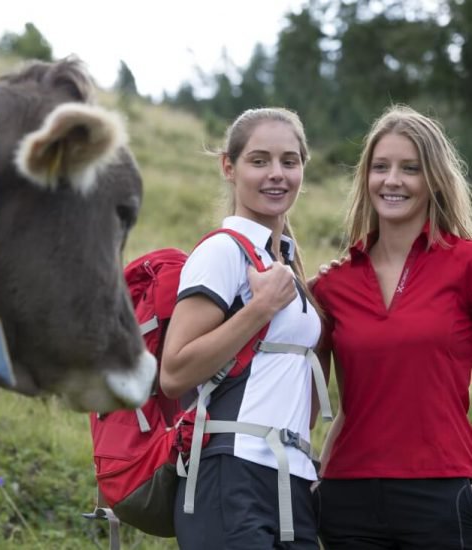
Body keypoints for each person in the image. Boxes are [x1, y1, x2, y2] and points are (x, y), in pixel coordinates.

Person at [160, 107, 323, 549]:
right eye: (259, 161)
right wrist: (259, 310)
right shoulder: (221, 253)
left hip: (290, 478)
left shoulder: (286, 262)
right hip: (229, 473)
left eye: (289, 162)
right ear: (229, 167)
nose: (277, 174)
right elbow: (174, 373)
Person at [312, 104, 472, 549]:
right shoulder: (332, 284)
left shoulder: (464, 264)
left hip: (441, 491)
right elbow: (327, 401)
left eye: (410, 168)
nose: (392, 180)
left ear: (434, 178)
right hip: (347, 496)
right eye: (380, 167)